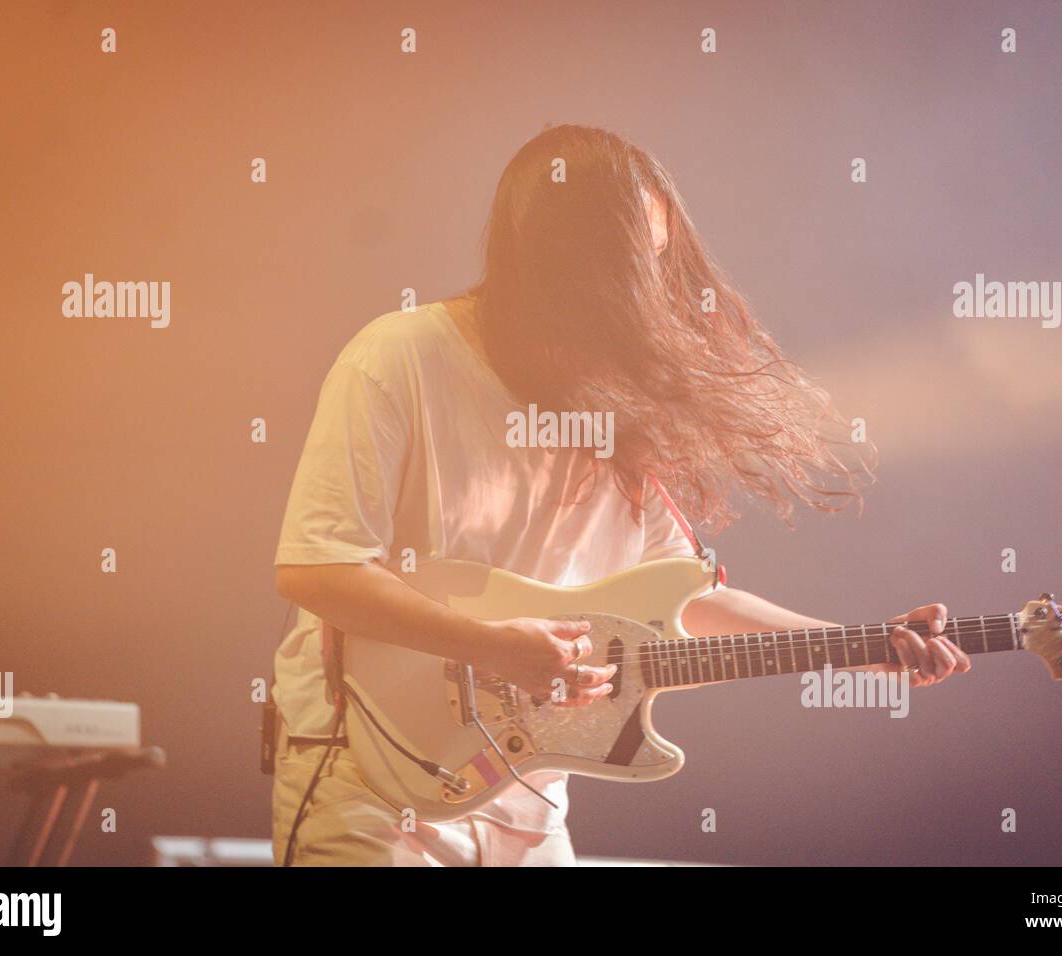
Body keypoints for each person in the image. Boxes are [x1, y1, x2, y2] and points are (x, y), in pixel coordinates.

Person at [270, 123, 970, 866]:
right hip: (367, 772)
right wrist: (492, 648)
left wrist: (855, 648)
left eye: (658, 257)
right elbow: (318, 570)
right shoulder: (398, 357)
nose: (647, 286)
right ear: (554, 255)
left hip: (527, 786)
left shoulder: (615, 409)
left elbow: (684, 599)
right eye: (628, 260)